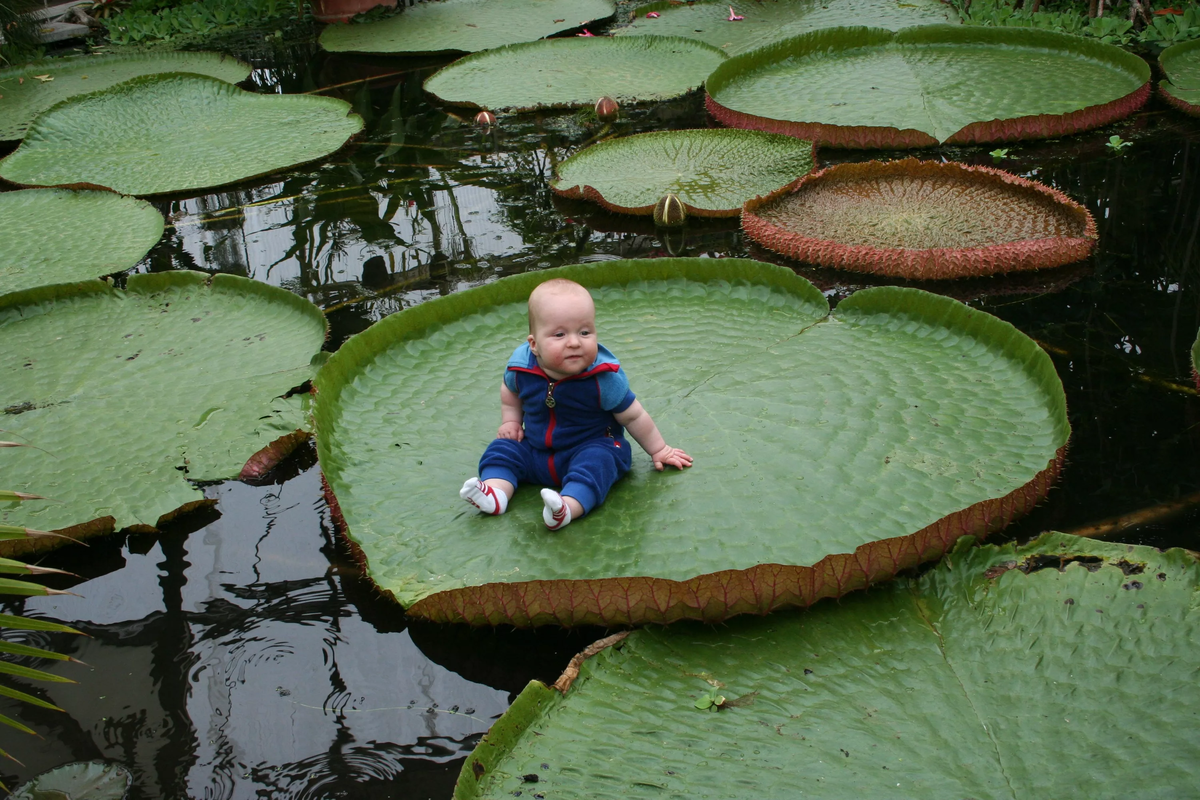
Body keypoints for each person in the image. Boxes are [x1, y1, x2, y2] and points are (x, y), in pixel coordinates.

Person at [459, 278, 692, 530]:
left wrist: (659, 450)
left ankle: (567, 507)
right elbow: (510, 391)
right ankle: (496, 495)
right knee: (503, 450)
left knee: (598, 463)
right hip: (535, 450)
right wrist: (512, 421)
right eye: (559, 334)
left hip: (589, 447)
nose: (574, 342)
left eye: (584, 332)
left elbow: (633, 416)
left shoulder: (603, 378)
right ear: (534, 345)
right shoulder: (521, 369)